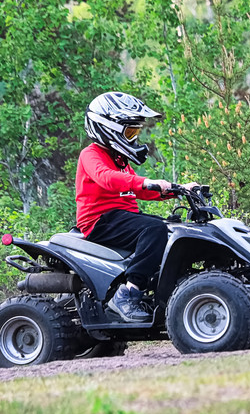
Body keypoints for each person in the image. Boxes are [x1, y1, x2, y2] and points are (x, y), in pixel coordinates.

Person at [76, 91, 197, 323]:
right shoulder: (91, 155)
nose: (133, 137)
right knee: (154, 230)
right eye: (130, 131)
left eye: (136, 132)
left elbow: (139, 190)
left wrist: (178, 189)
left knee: (175, 229)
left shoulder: (119, 160)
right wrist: (145, 181)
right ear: (107, 128)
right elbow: (106, 178)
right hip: (99, 221)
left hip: (123, 217)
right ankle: (127, 294)